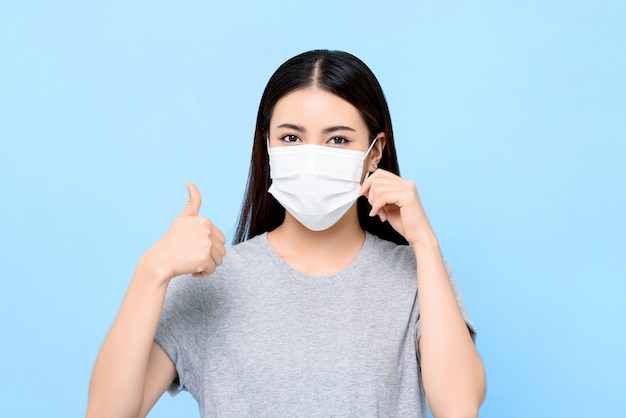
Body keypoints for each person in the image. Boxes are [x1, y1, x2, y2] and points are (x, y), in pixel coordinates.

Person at [87, 50, 486, 418]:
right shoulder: (209, 282)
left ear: (375, 151)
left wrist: (425, 245)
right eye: (291, 138)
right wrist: (151, 270)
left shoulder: (420, 278)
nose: (312, 156)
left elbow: (459, 407)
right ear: (268, 145)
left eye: (338, 139)